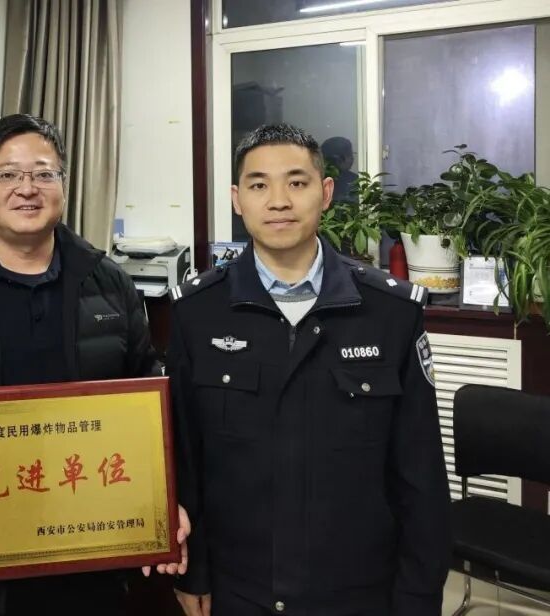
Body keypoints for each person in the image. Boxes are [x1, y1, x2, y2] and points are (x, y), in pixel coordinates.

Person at [0, 113, 186, 616]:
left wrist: (163, 502)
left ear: (63, 185)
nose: (26, 188)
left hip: (94, 549)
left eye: (43, 173)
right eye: (8, 174)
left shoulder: (110, 284)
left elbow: (146, 400)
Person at [167, 124, 450, 616]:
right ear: (237, 199)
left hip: (359, 590)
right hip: (239, 589)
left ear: (326, 193)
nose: (278, 201)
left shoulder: (391, 313)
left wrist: (418, 596)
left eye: (296, 182)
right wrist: (193, 573)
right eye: (259, 185)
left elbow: (420, 472)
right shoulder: (198, 313)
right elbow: (185, 459)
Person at [321, 136, 357, 203]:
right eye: (350, 155)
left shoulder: (315, 179)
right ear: (338, 159)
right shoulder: (355, 181)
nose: (352, 159)